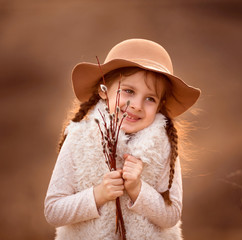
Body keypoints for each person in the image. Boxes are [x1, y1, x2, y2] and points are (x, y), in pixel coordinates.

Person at [44, 38, 201, 240]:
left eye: (150, 98)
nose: (136, 105)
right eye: (128, 91)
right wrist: (98, 194)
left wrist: (137, 189)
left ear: (160, 105)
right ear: (103, 91)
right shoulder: (78, 139)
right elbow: (53, 210)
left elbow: (171, 216)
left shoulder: (163, 146)